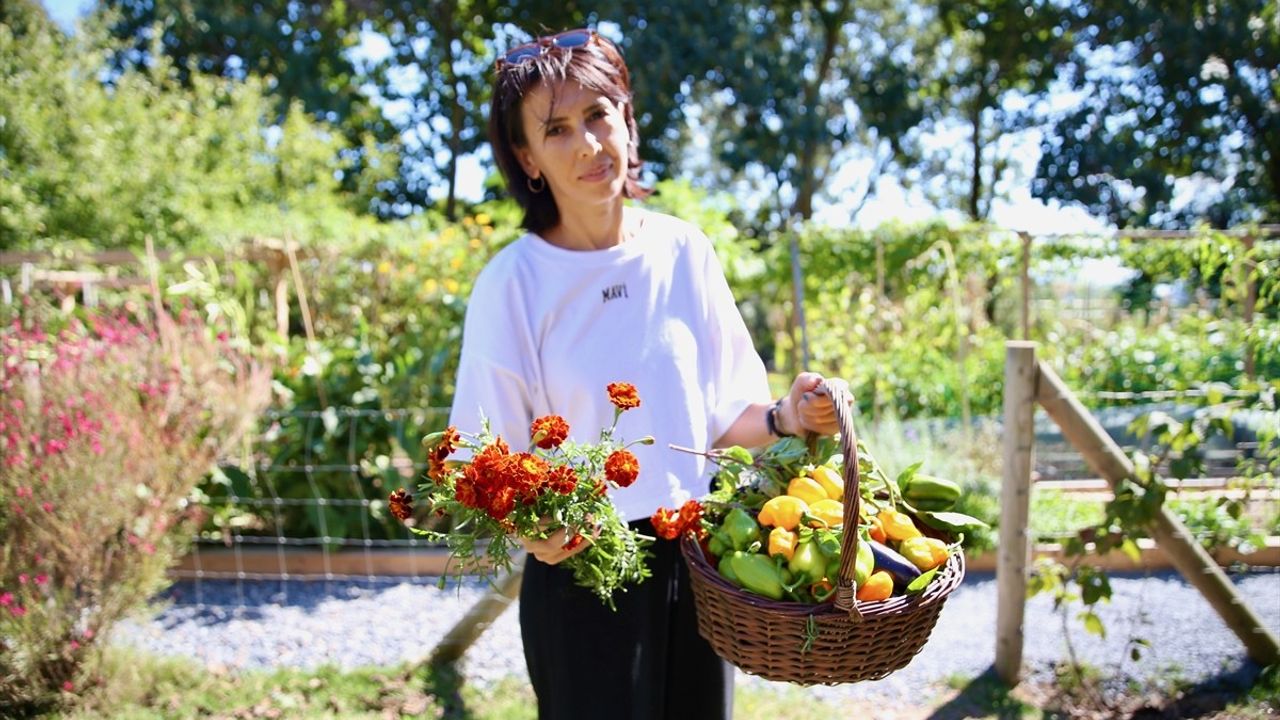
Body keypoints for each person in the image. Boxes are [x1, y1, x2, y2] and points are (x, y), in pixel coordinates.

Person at [448, 27, 846, 720]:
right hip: (584, 575)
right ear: (527, 157)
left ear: (627, 120)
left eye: (599, 115)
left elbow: (725, 416)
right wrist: (527, 529)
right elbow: (481, 459)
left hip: (699, 562)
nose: (587, 145)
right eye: (557, 129)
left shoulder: (683, 251)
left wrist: (788, 416)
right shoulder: (512, 283)